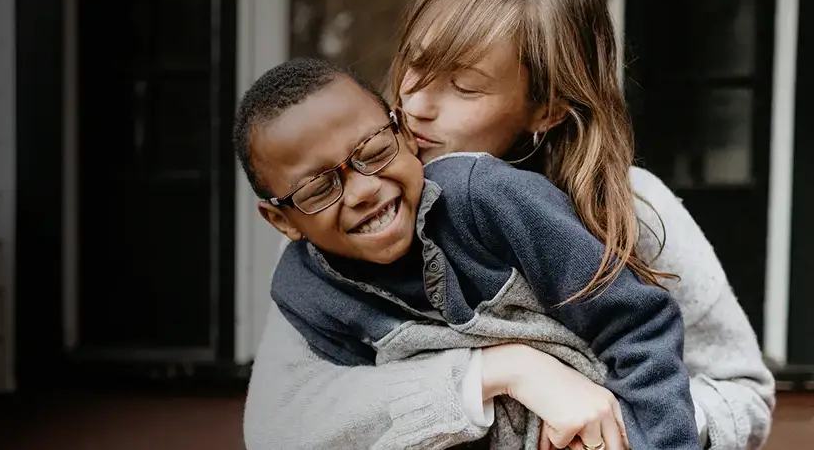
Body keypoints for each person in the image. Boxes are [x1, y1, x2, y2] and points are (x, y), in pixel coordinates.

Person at [243, 0, 775, 449]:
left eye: (464, 86)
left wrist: (618, 429)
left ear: (544, 109)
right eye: (416, 64)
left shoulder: (633, 209)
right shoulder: (341, 229)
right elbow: (285, 420)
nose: (417, 104)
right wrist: (502, 373)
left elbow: (743, 392)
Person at [234, 57, 697, 449]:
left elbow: (637, 325)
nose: (362, 191)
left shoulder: (487, 198)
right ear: (283, 220)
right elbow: (351, 421)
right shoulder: (306, 292)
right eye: (319, 188)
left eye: (373, 151)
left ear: (404, 133)